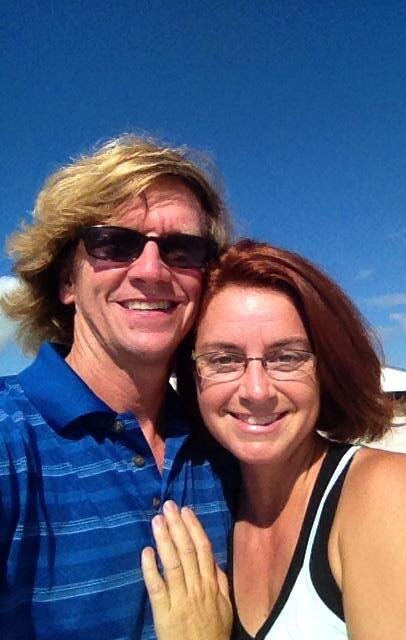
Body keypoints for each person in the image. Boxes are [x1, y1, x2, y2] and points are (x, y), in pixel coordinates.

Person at [142, 239, 406, 640]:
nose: (256, 390)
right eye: (223, 359)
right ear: (192, 375)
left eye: (287, 357)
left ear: (326, 369)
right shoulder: (217, 502)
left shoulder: (387, 496)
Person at [0, 135, 237, 639]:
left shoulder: (227, 443)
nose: (151, 270)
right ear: (67, 281)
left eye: (183, 249)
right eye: (114, 243)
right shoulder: (8, 444)